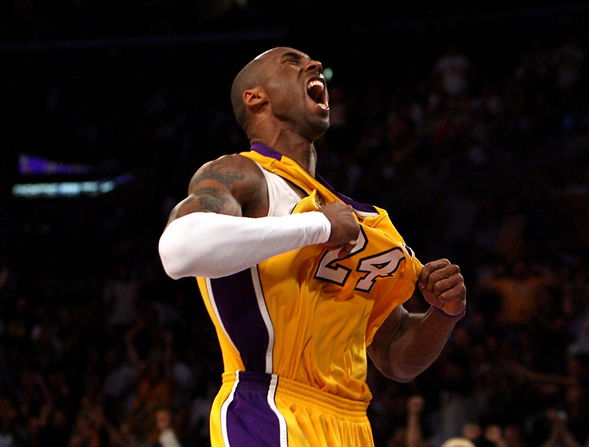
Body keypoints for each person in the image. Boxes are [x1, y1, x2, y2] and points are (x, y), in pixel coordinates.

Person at [158, 47, 467, 447]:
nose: (314, 64)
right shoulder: (241, 173)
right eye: (291, 61)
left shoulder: (360, 219)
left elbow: (394, 356)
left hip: (352, 422)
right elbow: (178, 250)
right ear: (256, 97)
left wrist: (442, 315)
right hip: (268, 405)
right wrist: (317, 226)